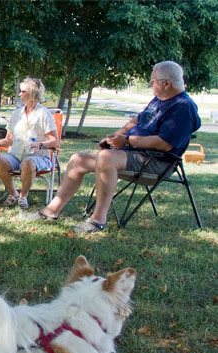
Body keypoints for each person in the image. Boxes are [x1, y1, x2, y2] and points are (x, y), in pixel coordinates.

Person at [23, 61, 201, 233]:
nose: (150, 84)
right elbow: (138, 119)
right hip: (132, 154)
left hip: (155, 162)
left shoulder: (183, 107)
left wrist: (127, 141)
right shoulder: (160, 99)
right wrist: (116, 137)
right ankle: (51, 211)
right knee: (78, 160)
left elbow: (164, 143)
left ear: (166, 83)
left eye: (152, 82)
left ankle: (98, 220)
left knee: (106, 157)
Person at [0, 78, 58, 210]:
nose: (19, 94)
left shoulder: (44, 114)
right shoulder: (16, 114)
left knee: (27, 163)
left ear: (32, 93)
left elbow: (55, 141)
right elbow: (8, 141)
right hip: (16, 155)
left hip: (38, 157)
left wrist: (41, 145)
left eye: (23, 91)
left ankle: (23, 196)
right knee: (0, 162)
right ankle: (14, 193)